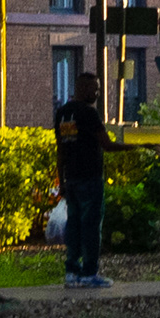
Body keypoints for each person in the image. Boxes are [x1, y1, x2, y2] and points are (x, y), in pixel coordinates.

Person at [55, 84, 126, 287]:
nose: (96, 92)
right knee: (91, 226)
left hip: (72, 178)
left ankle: (71, 271)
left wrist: (62, 180)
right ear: (81, 89)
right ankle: (89, 272)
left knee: (74, 225)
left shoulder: (62, 113)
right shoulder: (89, 113)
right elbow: (107, 144)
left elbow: (60, 150)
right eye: (93, 88)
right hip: (90, 177)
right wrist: (136, 146)